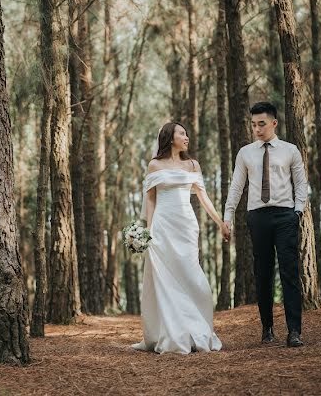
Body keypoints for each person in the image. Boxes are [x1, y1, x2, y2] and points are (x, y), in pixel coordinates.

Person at [132, 121, 230, 354]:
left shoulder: (192, 164)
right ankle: (171, 333)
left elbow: (203, 197)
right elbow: (152, 200)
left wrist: (220, 223)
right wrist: (149, 231)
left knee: (192, 276)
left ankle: (197, 329)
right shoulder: (154, 165)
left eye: (186, 134)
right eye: (182, 133)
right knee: (166, 278)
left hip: (186, 226)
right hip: (163, 226)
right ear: (170, 137)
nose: (186, 137)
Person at [223, 101, 308, 347]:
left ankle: (294, 331)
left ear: (274, 123)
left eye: (262, 124)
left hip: (285, 216)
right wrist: (227, 217)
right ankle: (267, 328)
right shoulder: (245, 153)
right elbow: (237, 187)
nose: (257, 129)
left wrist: (298, 212)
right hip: (258, 217)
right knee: (263, 274)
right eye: (253, 124)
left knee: (290, 273)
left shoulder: (290, 150)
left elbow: (300, 183)